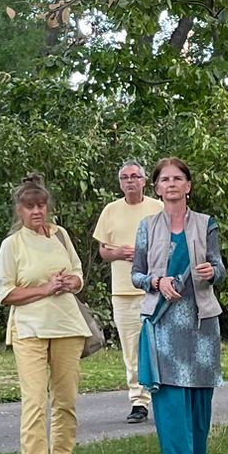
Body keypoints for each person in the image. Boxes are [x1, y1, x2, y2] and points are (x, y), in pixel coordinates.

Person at [131, 157, 226, 454]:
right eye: (164, 179)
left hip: (201, 325)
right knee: (171, 405)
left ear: (188, 186)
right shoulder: (147, 226)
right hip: (163, 324)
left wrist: (209, 271)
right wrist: (158, 281)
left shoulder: (206, 224)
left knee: (200, 406)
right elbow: (136, 275)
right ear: (156, 187)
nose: (171, 184)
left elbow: (220, 269)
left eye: (178, 178)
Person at [0, 175, 90, 454]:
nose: (37, 211)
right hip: (30, 329)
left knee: (66, 397)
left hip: (67, 325)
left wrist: (70, 284)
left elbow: (78, 274)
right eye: (29, 206)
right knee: (34, 400)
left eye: (41, 204)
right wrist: (45, 288)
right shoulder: (13, 245)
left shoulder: (60, 235)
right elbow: (5, 293)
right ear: (19, 211)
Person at [92, 161, 155, 423]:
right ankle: (138, 402)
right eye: (124, 177)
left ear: (144, 180)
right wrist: (119, 252)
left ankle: (161, 396)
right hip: (123, 291)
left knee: (156, 346)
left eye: (135, 176)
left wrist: (142, 254)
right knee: (131, 348)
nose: (130, 181)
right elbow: (103, 251)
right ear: (120, 183)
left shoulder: (157, 208)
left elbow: (171, 246)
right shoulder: (111, 210)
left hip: (153, 288)